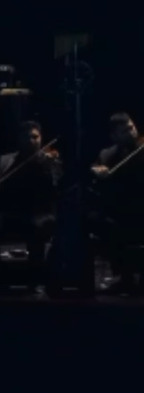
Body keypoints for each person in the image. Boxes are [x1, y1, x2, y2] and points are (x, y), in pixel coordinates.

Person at [90, 113, 144, 295]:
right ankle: (124, 276)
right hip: (121, 209)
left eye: (132, 128)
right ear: (114, 136)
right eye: (124, 131)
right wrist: (97, 171)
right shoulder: (107, 154)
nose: (132, 133)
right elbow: (96, 172)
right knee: (104, 223)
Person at [0, 121, 62, 294]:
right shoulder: (6, 160)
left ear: (41, 138)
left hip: (40, 212)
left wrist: (48, 168)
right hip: (12, 211)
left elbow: (56, 188)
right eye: (26, 137)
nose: (31, 141)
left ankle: (36, 280)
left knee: (37, 226)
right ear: (19, 139)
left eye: (35, 137)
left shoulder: (49, 160)